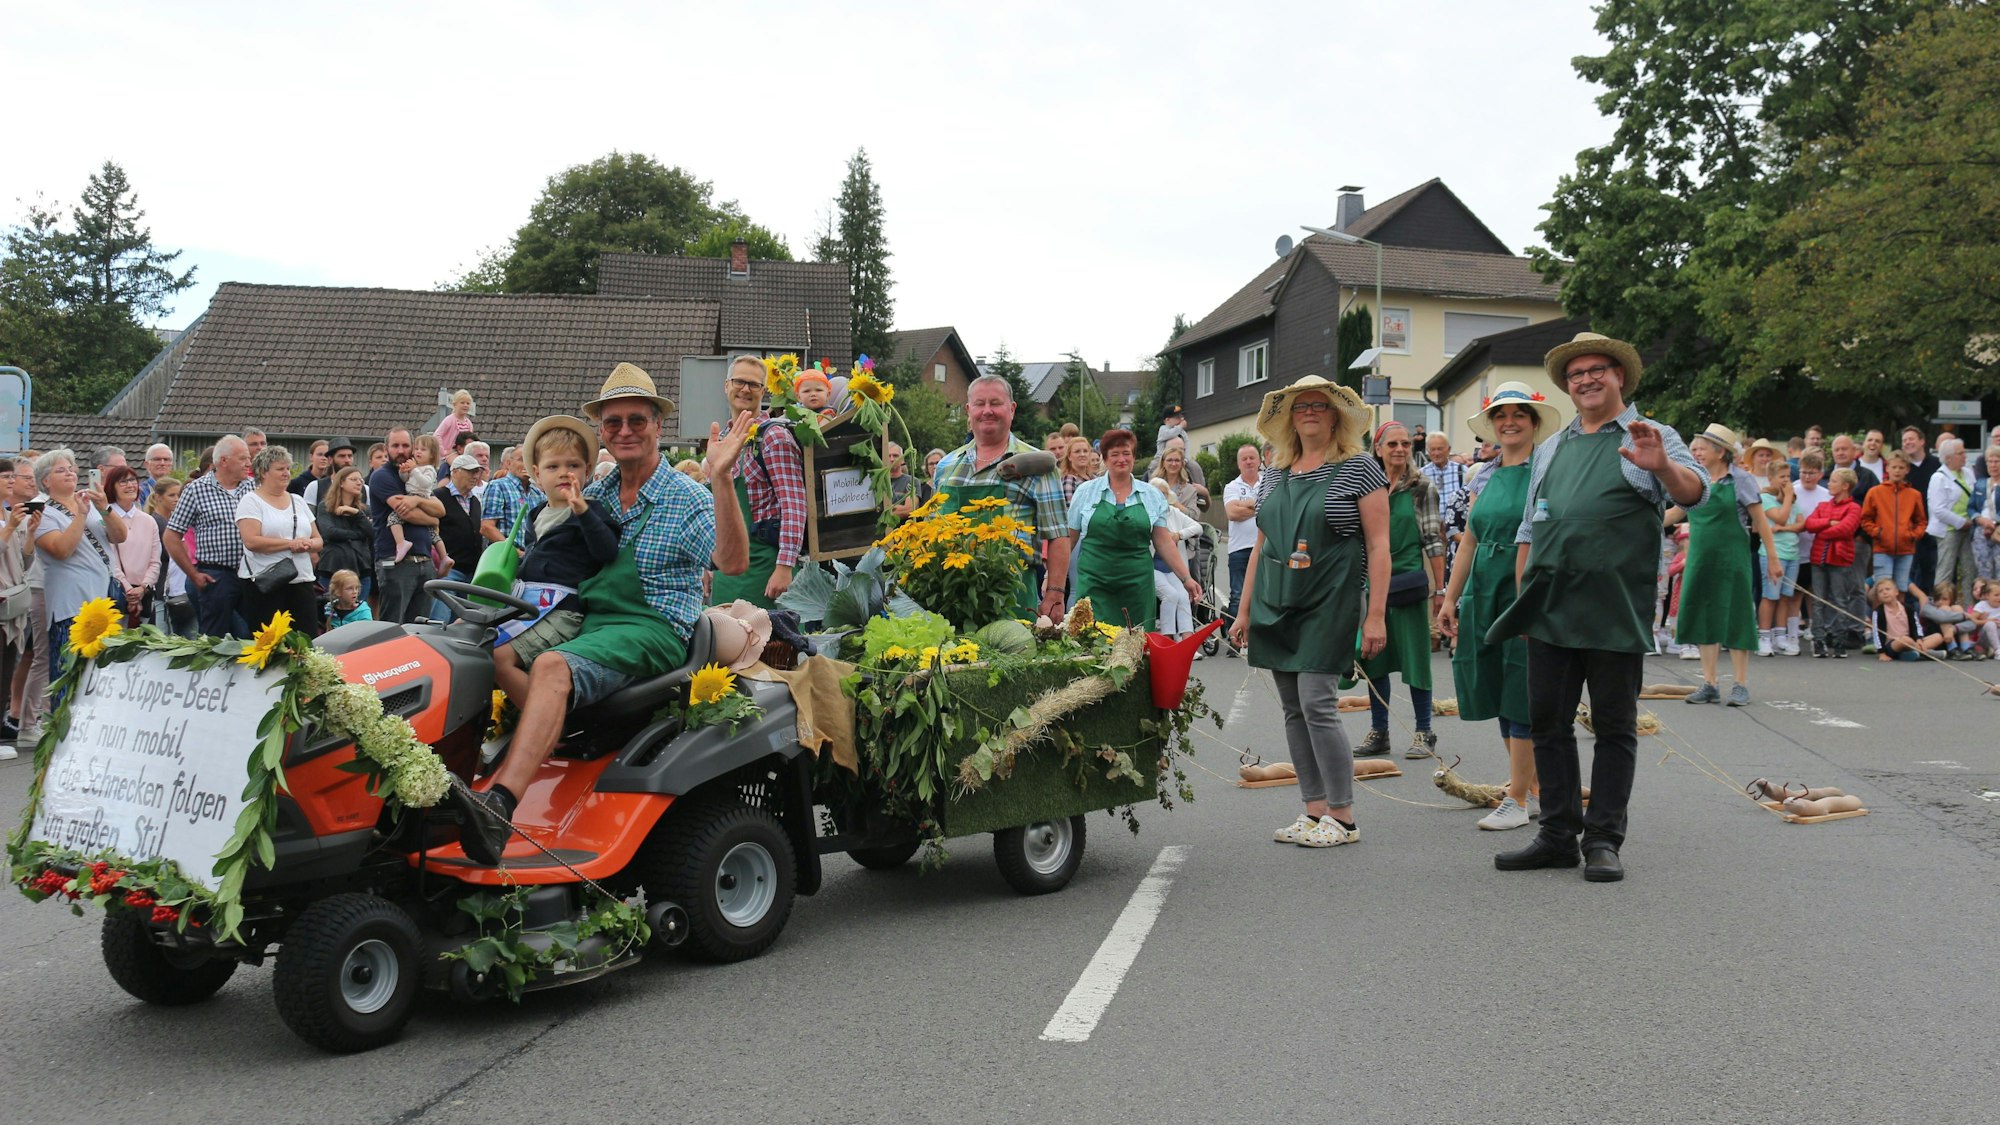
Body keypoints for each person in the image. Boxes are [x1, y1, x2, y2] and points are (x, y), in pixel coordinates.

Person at [459, 363, 754, 864]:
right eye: (613, 422)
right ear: (601, 431)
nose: (625, 431)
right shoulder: (591, 493)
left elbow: (732, 562)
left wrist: (721, 478)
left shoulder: (687, 497)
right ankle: (453, 781)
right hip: (586, 624)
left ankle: (498, 807)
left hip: (651, 629)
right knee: (471, 651)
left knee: (551, 665)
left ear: (658, 426)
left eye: (637, 420)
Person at [1487, 333, 1708, 883]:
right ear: (1568, 384)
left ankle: (1604, 839)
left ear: (1619, 377)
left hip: (1615, 605)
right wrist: (1522, 602)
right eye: (1577, 373)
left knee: (1613, 727)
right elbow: (1529, 528)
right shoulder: (1552, 446)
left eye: (1598, 370)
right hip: (1550, 605)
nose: (1586, 379)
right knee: (1548, 724)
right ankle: (1558, 834)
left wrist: (1659, 466)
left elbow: (1693, 492)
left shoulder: (1649, 436)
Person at [1229, 376, 1387, 850]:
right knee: (1293, 709)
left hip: (1331, 598)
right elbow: (1262, 544)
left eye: (1320, 405)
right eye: (1302, 407)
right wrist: (1243, 612)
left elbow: (1380, 546)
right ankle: (1313, 809)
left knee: (1318, 703)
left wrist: (1375, 614)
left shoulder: (1361, 468)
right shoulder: (1275, 472)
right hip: (1276, 598)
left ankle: (1344, 816)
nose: (1310, 412)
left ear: (1336, 416)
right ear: (1289, 418)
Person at [1437, 382, 1568, 831]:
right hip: (1483, 588)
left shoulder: (1547, 473)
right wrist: (1451, 598)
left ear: (1533, 423)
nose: (1509, 422)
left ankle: (1517, 797)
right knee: (1495, 684)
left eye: (1518, 415)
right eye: (1501, 415)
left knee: (1522, 688)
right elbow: (1469, 540)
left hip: (1524, 586)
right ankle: (1530, 788)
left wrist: (1537, 598)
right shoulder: (1482, 475)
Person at [490, 416, 621, 710]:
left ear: (587, 470)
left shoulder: (593, 511)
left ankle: (547, 725)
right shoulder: (535, 513)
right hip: (527, 602)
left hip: (562, 610)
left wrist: (583, 512)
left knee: (500, 659)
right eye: (553, 466)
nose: (564, 473)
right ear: (536, 473)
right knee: (466, 636)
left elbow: (607, 551)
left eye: (572, 465)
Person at [933, 375, 1073, 620]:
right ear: (968, 410)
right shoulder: (946, 466)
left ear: (1012, 409)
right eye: (980, 404)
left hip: (1013, 594)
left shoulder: (1037, 464)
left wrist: (1055, 593)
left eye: (995, 403)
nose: (987, 411)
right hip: (952, 594)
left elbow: (1058, 534)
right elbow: (933, 529)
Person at [1348, 420, 1449, 759]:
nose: (1400, 450)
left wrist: (1441, 591)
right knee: (1374, 659)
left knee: (1416, 659)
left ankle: (1424, 731)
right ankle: (1380, 732)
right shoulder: (1367, 485)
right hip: (1371, 585)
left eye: (1405, 444)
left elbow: (1434, 541)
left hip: (1407, 585)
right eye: (1392, 444)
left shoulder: (1422, 488)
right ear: (1378, 448)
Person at [1668, 424, 1780, 703]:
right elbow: (1677, 512)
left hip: (1732, 559)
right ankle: (1710, 683)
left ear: (1720, 452)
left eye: (1702, 448)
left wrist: (1773, 559)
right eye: (1696, 448)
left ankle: (1740, 684)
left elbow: (1761, 522)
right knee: (1704, 614)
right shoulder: (1696, 479)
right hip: (1700, 559)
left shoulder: (1741, 480)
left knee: (1738, 615)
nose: (1697, 453)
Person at [1063, 430, 1199, 632]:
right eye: (1115, 454)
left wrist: (1186, 578)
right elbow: (1069, 540)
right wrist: (1052, 581)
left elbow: (1162, 541)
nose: (1121, 459)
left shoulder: (1152, 495)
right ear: (1105, 458)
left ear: (1134, 458)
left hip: (1137, 586)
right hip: (1094, 584)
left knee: (1135, 647)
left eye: (1126, 453)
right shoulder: (1085, 492)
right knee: (1091, 644)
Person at [711, 355, 808, 608]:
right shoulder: (722, 439)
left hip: (766, 569)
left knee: (769, 644)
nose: (745, 389)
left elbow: (794, 504)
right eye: (739, 382)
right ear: (726, 386)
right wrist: (708, 563)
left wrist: (785, 566)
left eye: (754, 384)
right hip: (726, 573)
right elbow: (716, 510)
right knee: (724, 643)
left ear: (764, 391)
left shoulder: (774, 437)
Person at [33, 449, 129, 660]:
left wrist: (104, 508)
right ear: (46, 481)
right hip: (70, 603)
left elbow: (120, 536)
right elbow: (62, 550)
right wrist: (81, 514)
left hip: (102, 599)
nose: (69, 473)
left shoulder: (91, 504)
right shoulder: (43, 513)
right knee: (69, 670)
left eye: (71, 469)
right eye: (61, 470)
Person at [165, 434, 254, 638]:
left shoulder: (253, 487)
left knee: (254, 635)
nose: (248, 463)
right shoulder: (196, 490)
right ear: (224, 461)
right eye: (243, 458)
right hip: (217, 576)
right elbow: (171, 536)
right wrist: (193, 574)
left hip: (251, 574)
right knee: (215, 638)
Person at [236, 446, 322, 636]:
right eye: (280, 469)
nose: (286, 473)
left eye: (288, 469)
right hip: (266, 583)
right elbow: (251, 541)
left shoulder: (297, 500)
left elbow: (318, 540)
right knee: (271, 643)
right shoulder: (251, 501)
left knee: (306, 640)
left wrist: (307, 544)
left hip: (302, 580)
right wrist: (290, 544)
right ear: (263, 472)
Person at [369, 427, 444, 624]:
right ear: (386, 448)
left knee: (419, 628)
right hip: (395, 562)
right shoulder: (382, 476)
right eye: (395, 446)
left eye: (405, 445)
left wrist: (418, 501)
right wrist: (432, 520)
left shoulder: (416, 474)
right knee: (393, 626)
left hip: (424, 561)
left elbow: (440, 509)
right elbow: (405, 512)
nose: (401, 451)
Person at [1803, 468, 1864, 658]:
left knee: (1839, 600)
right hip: (1819, 558)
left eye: (1834, 481)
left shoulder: (1854, 508)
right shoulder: (1823, 505)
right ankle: (1819, 640)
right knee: (1819, 600)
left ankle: (1839, 640)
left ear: (1845, 486)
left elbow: (1846, 530)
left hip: (1840, 559)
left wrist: (1822, 529)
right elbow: (1809, 524)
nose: (1829, 483)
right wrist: (1829, 522)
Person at [1756, 459, 1804, 656]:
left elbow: (1801, 523)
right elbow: (1781, 517)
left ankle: (1781, 635)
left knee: (1785, 597)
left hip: (1793, 554)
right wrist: (1788, 497)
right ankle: (1764, 637)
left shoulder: (1791, 500)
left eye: (1788, 477)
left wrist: (1784, 528)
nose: (1786, 481)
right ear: (1771, 478)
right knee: (1770, 596)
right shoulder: (1766, 499)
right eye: (1782, 477)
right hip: (1773, 554)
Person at [428, 455, 484, 621]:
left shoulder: (475, 501)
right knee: (440, 621)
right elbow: (432, 530)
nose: (475, 476)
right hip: (449, 572)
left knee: (462, 625)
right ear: (455, 472)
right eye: (470, 472)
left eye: (477, 472)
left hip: (471, 573)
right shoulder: (437, 497)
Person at [1860, 450, 1926, 591]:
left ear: (1907, 470)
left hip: (1906, 549)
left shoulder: (1914, 495)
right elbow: (1866, 518)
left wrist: (1913, 535)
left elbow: (1921, 521)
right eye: (1894, 467)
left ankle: (1898, 613)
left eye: (1901, 468)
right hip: (1882, 547)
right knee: (1883, 587)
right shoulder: (1875, 492)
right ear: (1887, 468)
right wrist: (1878, 533)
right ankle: (1878, 613)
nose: (1897, 471)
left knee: (1901, 588)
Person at [104, 465, 159, 627]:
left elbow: (155, 561)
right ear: (111, 487)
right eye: (123, 482)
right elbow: (109, 559)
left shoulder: (148, 521)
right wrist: (129, 591)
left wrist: (143, 587)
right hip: (115, 594)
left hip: (145, 594)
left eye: (133, 480)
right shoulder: (105, 518)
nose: (130, 485)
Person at [1221, 442, 1262, 653]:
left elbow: (1273, 507)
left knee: (1265, 594)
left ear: (1259, 460)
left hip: (1265, 547)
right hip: (1239, 549)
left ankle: (1260, 638)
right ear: (1238, 464)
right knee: (1237, 594)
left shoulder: (1268, 482)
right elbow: (1232, 514)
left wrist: (1245, 505)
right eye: (1244, 458)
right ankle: (1236, 640)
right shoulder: (1232, 487)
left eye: (1252, 457)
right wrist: (1260, 505)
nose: (1248, 461)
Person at [1927, 437, 1977, 594]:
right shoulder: (1938, 478)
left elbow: (1975, 497)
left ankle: (1970, 608)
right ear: (1948, 458)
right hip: (1948, 530)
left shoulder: (1968, 472)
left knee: (1971, 569)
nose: (1965, 456)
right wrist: (1962, 522)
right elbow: (1938, 509)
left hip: (1969, 529)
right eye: (1960, 453)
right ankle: (1942, 609)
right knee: (1945, 570)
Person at [147, 478, 195, 638]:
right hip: (163, 590)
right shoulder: (156, 522)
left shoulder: (176, 520)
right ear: (159, 497)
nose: (177, 499)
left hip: (180, 589)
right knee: (164, 637)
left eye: (179, 495)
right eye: (172, 495)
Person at [315, 466, 374, 597]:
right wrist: (359, 534)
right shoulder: (325, 507)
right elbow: (329, 533)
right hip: (332, 567)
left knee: (359, 612)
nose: (359, 483)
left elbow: (372, 533)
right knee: (329, 612)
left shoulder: (364, 511)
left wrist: (356, 513)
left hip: (361, 568)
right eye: (353, 479)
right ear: (341, 482)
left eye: (361, 480)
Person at [386, 435, 442, 567]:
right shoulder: (415, 468)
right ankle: (443, 556)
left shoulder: (429, 469)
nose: (418, 452)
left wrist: (415, 470)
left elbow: (425, 483)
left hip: (421, 496)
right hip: (412, 494)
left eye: (423, 449)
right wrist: (403, 472)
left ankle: (401, 542)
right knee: (431, 531)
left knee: (393, 518)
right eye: (416, 448)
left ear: (432, 455)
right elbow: (407, 481)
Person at [1421, 431, 1469, 570]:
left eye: (1440, 449)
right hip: (1432, 536)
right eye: (1432, 449)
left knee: (1456, 576)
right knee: (1434, 581)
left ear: (1448, 449)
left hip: (1458, 536)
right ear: (1428, 451)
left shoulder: (1462, 471)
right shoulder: (1421, 475)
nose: (1436, 453)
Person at [480, 445, 546, 544]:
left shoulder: (537, 493)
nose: (526, 464)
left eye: (530, 460)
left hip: (531, 555)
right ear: (509, 463)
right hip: (506, 555)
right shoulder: (498, 486)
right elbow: (487, 527)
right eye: (521, 459)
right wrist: (514, 552)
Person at [1972, 447, 2000, 581]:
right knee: (1984, 570)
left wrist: (1993, 523)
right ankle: (1985, 601)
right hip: (1981, 531)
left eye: (1997, 461)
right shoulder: (1980, 484)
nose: (1993, 465)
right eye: (1990, 462)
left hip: (1998, 530)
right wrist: (1979, 519)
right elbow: (1971, 507)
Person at [886, 442, 918, 519]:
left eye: (895, 456)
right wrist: (897, 507)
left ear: (902, 459)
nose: (892, 459)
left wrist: (885, 512)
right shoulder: (877, 482)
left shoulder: (912, 481)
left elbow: (909, 509)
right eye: (888, 456)